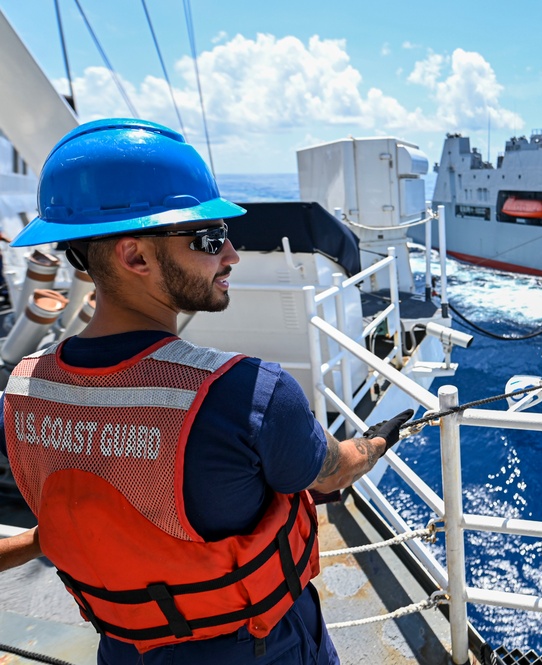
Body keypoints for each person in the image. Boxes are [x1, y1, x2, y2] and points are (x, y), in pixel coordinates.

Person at [0, 118, 412, 664]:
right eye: (210, 238)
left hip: (125, 650)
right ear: (135, 258)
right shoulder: (248, 395)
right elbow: (332, 470)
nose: (232, 256)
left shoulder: (22, 390)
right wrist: (375, 444)